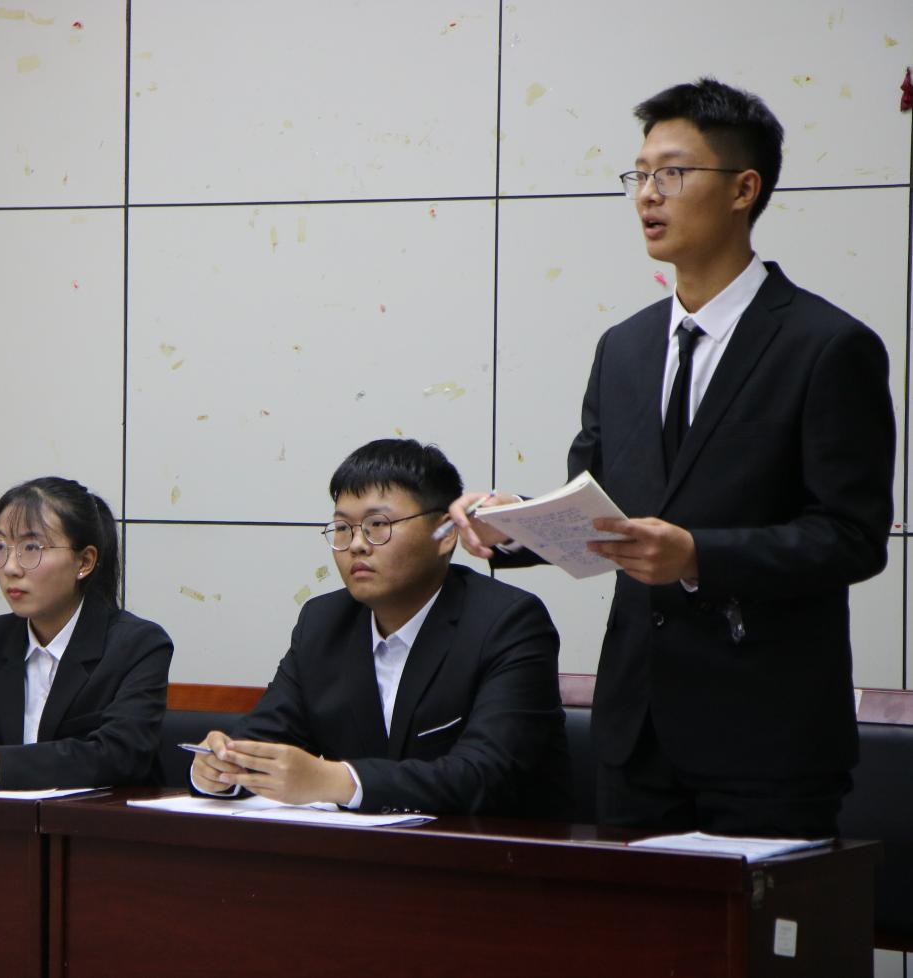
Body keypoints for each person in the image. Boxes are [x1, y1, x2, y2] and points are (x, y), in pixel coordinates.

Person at [450, 78, 895, 837]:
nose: (647, 194)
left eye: (673, 173)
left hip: (767, 736)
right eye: (640, 173)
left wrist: (697, 556)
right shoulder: (623, 347)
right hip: (635, 731)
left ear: (743, 189)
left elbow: (851, 537)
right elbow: (597, 507)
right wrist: (514, 524)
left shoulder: (826, 345)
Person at [191, 439, 570, 817]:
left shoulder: (507, 622)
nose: (356, 544)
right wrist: (222, 768)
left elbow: (484, 775)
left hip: (490, 847)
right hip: (359, 850)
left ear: (446, 534)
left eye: (378, 525)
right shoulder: (323, 622)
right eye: (343, 527)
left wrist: (335, 780)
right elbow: (264, 738)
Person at [0, 477, 172, 789]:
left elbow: (118, 756)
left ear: (84, 561)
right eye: (0, 547)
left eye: (31, 548)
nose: (11, 567)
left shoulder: (138, 645)